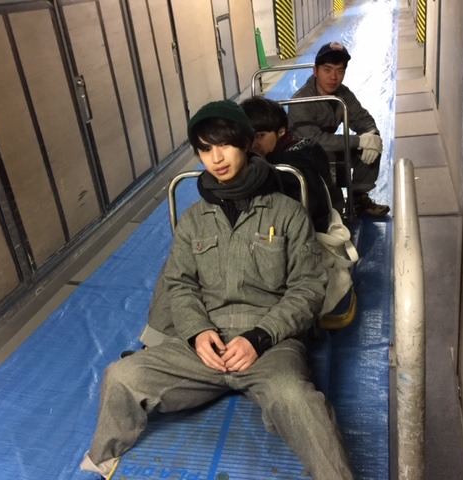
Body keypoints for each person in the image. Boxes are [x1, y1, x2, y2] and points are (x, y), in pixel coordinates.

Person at [81, 100, 353, 480]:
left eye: (224, 145)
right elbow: (179, 283)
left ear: (245, 143)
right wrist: (197, 333)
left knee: (300, 402)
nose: (216, 158)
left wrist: (259, 337)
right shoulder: (194, 219)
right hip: (205, 345)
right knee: (121, 377)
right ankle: (100, 463)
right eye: (205, 149)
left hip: (270, 342)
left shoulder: (286, 212)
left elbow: (307, 289)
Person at [288, 41, 390, 217]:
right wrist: (359, 140)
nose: (333, 77)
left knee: (373, 144)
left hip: (328, 149)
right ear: (315, 71)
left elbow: (362, 118)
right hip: (305, 155)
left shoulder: (343, 94)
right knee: (334, 207)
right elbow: (315, 141)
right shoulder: (301, 101)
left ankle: (358, 197)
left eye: (340, 71)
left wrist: (371, 134)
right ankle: (332, 205)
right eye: (327, 70)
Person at [240, 95, 343, 233]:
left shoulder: (290, 169)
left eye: (261, 136)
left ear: (281, 132)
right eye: (249, 137)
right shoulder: (304, 146)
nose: (254, 144)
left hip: (310, 231)